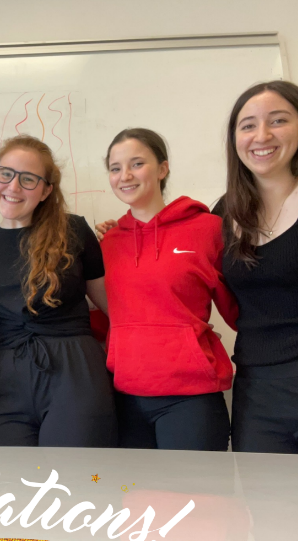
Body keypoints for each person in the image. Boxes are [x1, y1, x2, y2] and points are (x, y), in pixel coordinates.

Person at [0, 135, 117, 447]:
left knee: (76, 474)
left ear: (46, 190)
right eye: (6, 174)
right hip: (4, 380)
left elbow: (114, 306)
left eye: (28, 179)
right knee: (6, 477)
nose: (13, 187)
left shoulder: (74, 231)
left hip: (75, 373)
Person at [216, 80, 298, 455]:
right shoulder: (224, 211)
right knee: (266, 494)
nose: (262, 135)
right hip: (256, 391)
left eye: (278, 120)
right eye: (248, 125)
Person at [100, 128, 238, 451]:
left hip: (191, 399)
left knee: (195, 487)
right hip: (125, 398)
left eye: (137, 164)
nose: (125, 176)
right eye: (116, 168)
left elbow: (243, 308)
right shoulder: (108, 243)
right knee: (133, 487)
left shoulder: (208, 229)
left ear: (162, 169)